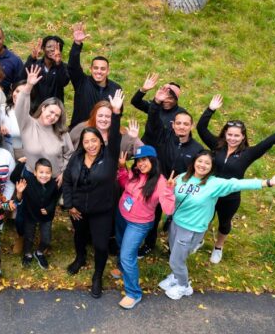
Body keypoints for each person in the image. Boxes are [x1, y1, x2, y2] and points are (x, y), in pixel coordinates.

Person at [160, 150, 275, 300]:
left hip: (192, 229)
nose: (202, 165)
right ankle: (176, 276)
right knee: (176, 254)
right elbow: (171, 197)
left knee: (176, 260)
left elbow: (237, 184)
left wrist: (267, 182)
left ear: (212, 167)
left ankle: (183, 286)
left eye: (207, 163)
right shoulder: (182, 177)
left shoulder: (215, 183)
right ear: (194, 162)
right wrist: (169, 188)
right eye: (200, 161)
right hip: (176, 223)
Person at [196, 94, 275, 264]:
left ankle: (218, 247)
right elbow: (201, 128)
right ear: (225, 134)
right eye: (229, 134)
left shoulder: (248, 154)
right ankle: (200, 239)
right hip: (210, 191)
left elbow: (267, 144)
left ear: (243, 137)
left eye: (237, 136)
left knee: (224, 222)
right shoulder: (216, 145)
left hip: (230, 197)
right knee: (205, 217)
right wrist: (210, 110)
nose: (232, 138)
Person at [62, 89, 124, 298]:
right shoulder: (77, 159)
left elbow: (114, 136)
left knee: (100, 244)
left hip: (102, 210)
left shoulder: (110, 157)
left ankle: (97, 276)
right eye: (86, 142)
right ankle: (80, 258)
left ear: (100, 141)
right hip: (79, 208)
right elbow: (68, 181)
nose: (90, 145)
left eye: (94, 141)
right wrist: (70, 205)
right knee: (79, 236)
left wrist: (116, 113)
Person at [138, 87, 203, 257]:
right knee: (153, 215)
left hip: (180, 189)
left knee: (176, 219)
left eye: (186, 124)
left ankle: (174, 248)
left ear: (191, 126)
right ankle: (149, 244)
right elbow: (152, 121)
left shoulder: (197, 149)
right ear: (173, 125)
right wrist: (156, 103)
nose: (182, 127)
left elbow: (199, 173)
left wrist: (182, 183)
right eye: (178, 123)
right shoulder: (163, 135)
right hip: (158, 184)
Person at [111, 146, 175, 309]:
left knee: (127, 256)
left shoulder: (161, 183)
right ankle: (121, 269)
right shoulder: (135, 174)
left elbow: (168, 210)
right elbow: (124, 183)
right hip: (122, 215)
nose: (141, 164)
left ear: (153, 160)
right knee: (120, 244)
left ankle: (133, 293)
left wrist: (169, 191)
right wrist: (122, 168)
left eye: (144, 160)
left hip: (138, 224)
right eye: (139, 161)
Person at [15, 67, 74, 186]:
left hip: (54, 179)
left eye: (57, 115)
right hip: (31, 177)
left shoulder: (61, 132)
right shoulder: (27, 124)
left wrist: (64, 173)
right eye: (51, 112)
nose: (53, 117)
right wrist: (28, 87)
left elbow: (70, 155)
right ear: (43, 108)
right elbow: (20, 108)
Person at [67, 22, 122, 128]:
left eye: (103, 69)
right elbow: (72, 66)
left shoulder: (116, 89)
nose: (99, 71)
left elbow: (118, 114)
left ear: (108, 71)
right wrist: (77, 44)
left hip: (103, 133)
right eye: (96, 68)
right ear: (91, 69)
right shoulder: (81, 81)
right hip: (80, 131)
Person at [11, 158, 59, 269]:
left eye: (47, 173)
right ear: (35, 173)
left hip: (46, 216)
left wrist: (49, 208)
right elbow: (13, 178)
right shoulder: (28, 181)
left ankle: (39, 252)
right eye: (41, 172)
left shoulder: (53, 184)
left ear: (51, 173)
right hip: (30, 214)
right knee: (29, 237)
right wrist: (21, 163)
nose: (44, 175)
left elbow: (54, 199)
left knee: (46, 239)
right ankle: (27, 253)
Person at [69, 100, 142, 157]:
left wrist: (135, 139)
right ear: (94, 116)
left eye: (108, 116)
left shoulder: (123, 135)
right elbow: (66, 149)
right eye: (100, 115)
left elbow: (145, 156)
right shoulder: (81, 128)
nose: (103, 119)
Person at [130, 73, 185, 141]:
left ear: (176, 100)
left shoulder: (181, 114)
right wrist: (143, 89)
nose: (166, 100)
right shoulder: (154, 107)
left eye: (170, 98)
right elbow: (135, 102)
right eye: (164, 97)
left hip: (166, 148)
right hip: (147, 145)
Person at [24, 35, 69, 108]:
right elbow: (21, 77)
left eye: (56, 47)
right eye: (49, 46)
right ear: (43, 48)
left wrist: (58, 64)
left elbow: (63, 82)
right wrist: (31, 58)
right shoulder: (35, 64)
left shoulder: (63, 67)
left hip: (54, 110)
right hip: (35, 109)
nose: (52, 49)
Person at [0, 81, 27, 160]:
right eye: (17, 91)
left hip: (23, 155)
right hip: (2, 153)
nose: (18, 95)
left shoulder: (31, 115)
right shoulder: (2, 109)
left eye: (23, 93)